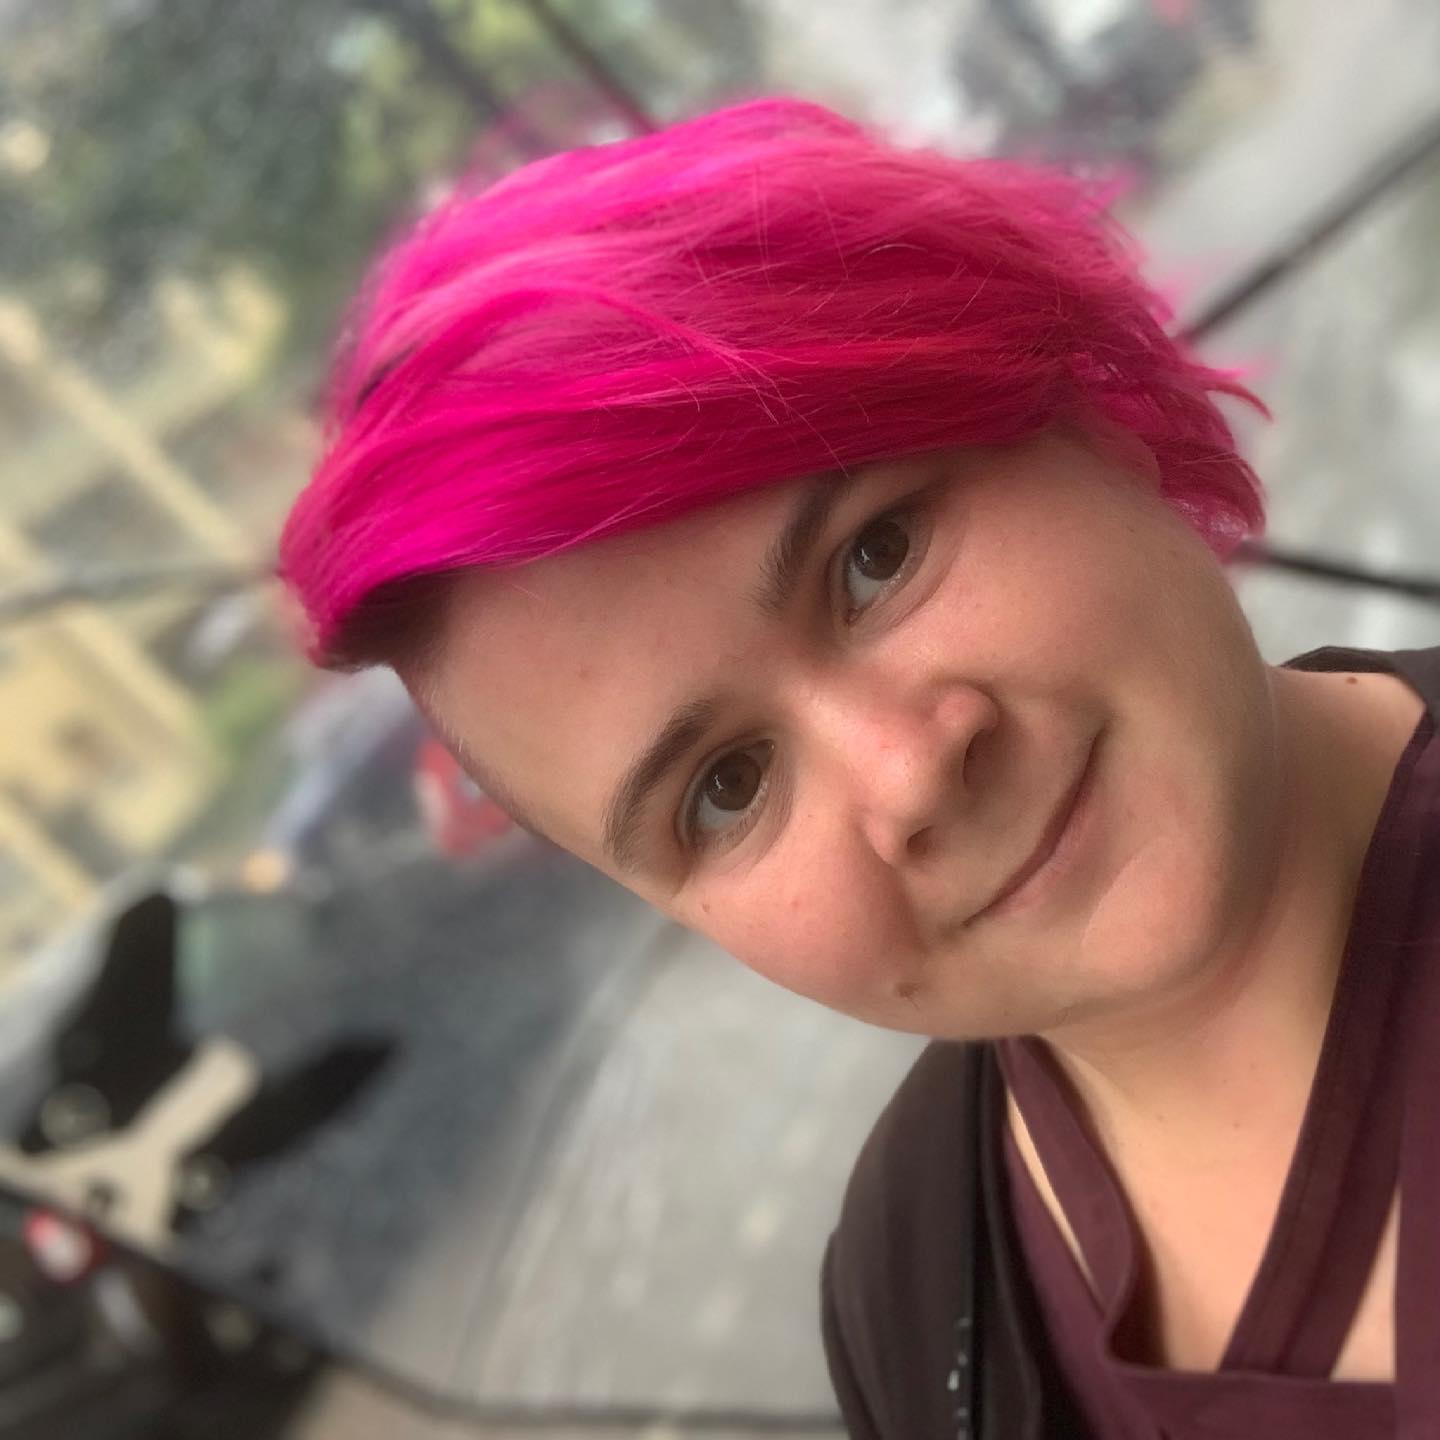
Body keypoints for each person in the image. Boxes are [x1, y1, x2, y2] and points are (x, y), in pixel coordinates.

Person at [278, 98, 1440, 1437]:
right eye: (725, 789)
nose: (908, 775)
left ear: (1077, 412)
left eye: (873, 559)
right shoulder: (904, 1286)